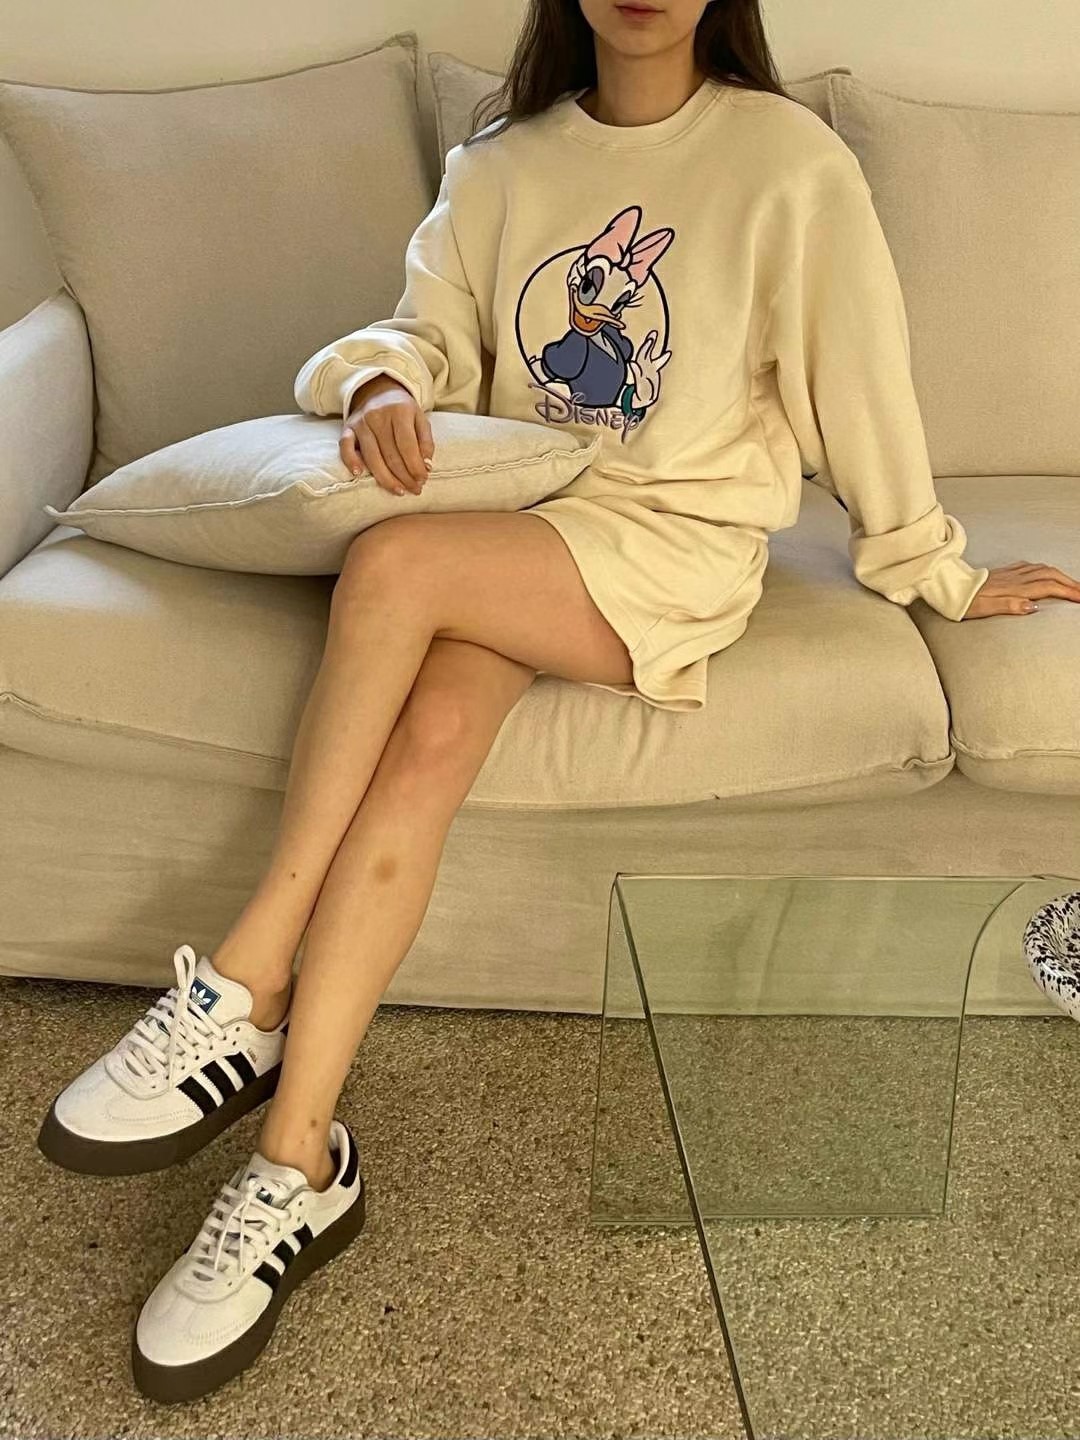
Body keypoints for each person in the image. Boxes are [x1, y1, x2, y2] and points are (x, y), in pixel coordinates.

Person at [35, 0, 1080, 1406]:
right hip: (524, 518)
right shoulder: (501, 165)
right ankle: (297, 1161)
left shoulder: (785, 160)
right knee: (429, 743)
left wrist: (934, 567)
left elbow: (860, 378)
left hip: (673, 542)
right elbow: (427, 335)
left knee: (396, 563)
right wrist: (383, 384)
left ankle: (245, 976)